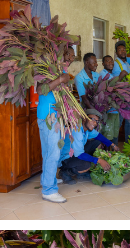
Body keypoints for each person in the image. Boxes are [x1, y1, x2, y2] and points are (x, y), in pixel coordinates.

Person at [35, 47, 80, 203]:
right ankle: (48, 189)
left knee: (52, 151)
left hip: (57, 116)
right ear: (60, 55)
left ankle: (48, 179)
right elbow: (40, 89)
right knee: (52, 152)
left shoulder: (62, 70)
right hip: (48, 116)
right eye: (68, 55)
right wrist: (60, 80)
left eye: (73, 56)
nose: (70, 58)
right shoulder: (46, 70)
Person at [58, 109, 117, 185]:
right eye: (92, 119)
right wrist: (100, 161)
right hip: (65, 159)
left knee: (97, 143)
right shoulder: (77, 131)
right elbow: (80, 154)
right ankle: (65, 172)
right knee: (86, 164)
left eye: (97, 121)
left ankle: (82, 173)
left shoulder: (87, 129)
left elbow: (99, 136)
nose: (95, 123)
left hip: (75, 154)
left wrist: (113, 145)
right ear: (84, 118)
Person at [111, 40, 130, 142]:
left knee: (129, 121)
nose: (122, 51)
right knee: (118, 122)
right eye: (120, 50)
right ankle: (114, 146)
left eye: (124, 49)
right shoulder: (115, 64)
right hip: (120, 98)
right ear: (116, 52)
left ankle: (128, 145)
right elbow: (114, 82)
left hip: (129, 97)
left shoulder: (127, 64)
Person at [98, 55, 121, 142]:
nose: (110, 63)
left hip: (115, 109)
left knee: (114, 133)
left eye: (111, 61)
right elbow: (112, 87)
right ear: (103, 63)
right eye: (107, 61)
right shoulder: (103, 74)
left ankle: (113, 153)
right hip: (108, 110)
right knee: (108, 134)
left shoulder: (111, 74)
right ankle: (107, 153)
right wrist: (121, 77)